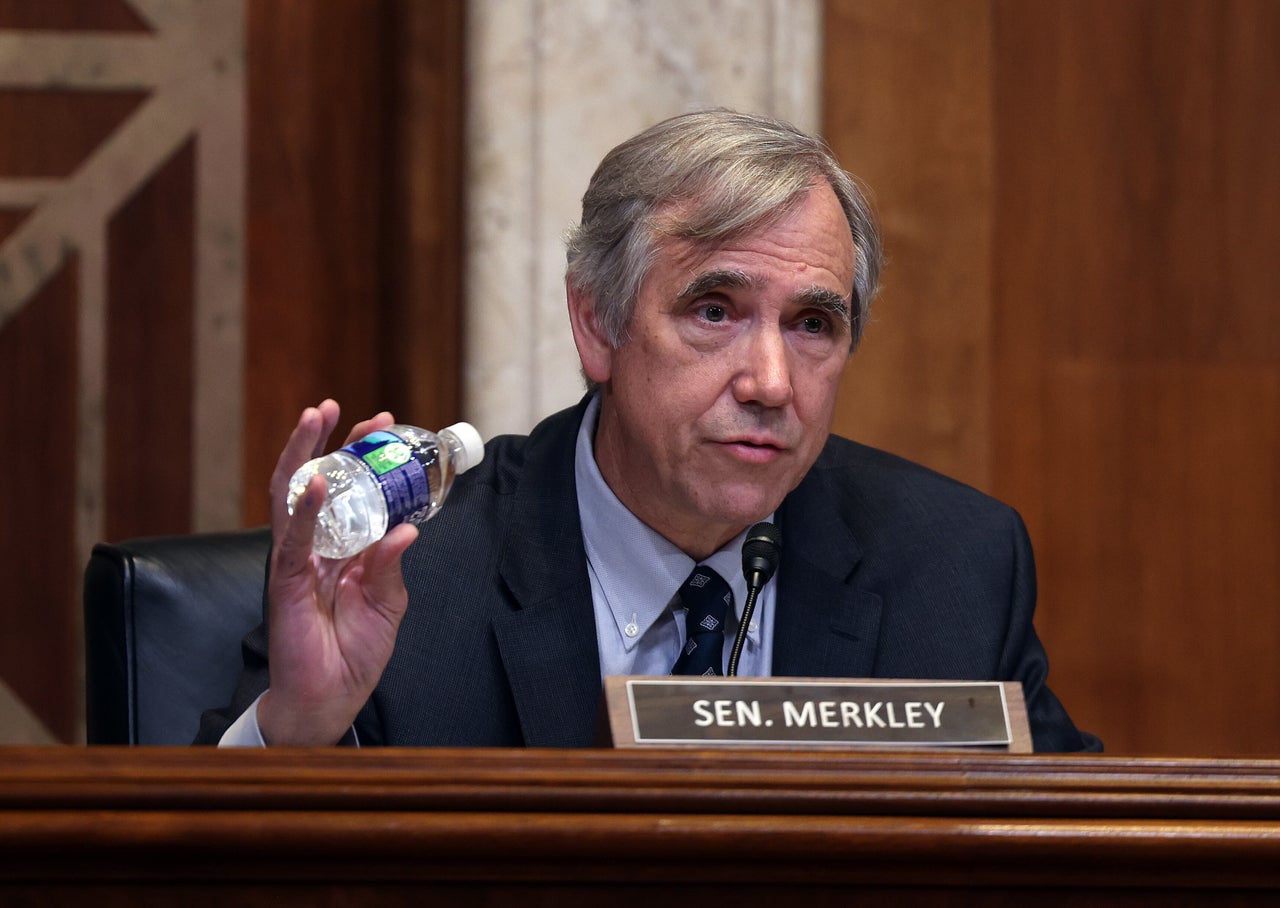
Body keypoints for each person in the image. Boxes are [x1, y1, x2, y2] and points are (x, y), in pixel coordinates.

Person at [198, 109, 1100, 752]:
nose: (771, 383)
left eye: (813, 325)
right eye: (714, 310)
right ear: (597, 324)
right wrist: (301, 735)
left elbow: (1073, 865)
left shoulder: (951, 567)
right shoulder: (411, 575)